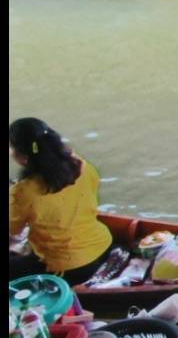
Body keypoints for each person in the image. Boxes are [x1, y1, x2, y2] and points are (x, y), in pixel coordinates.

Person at [9, 118, 113, 285]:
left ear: (21, 155)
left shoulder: (24, 190)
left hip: (71, 266)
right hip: (104, 244)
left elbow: (14, 228)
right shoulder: (81, 165)